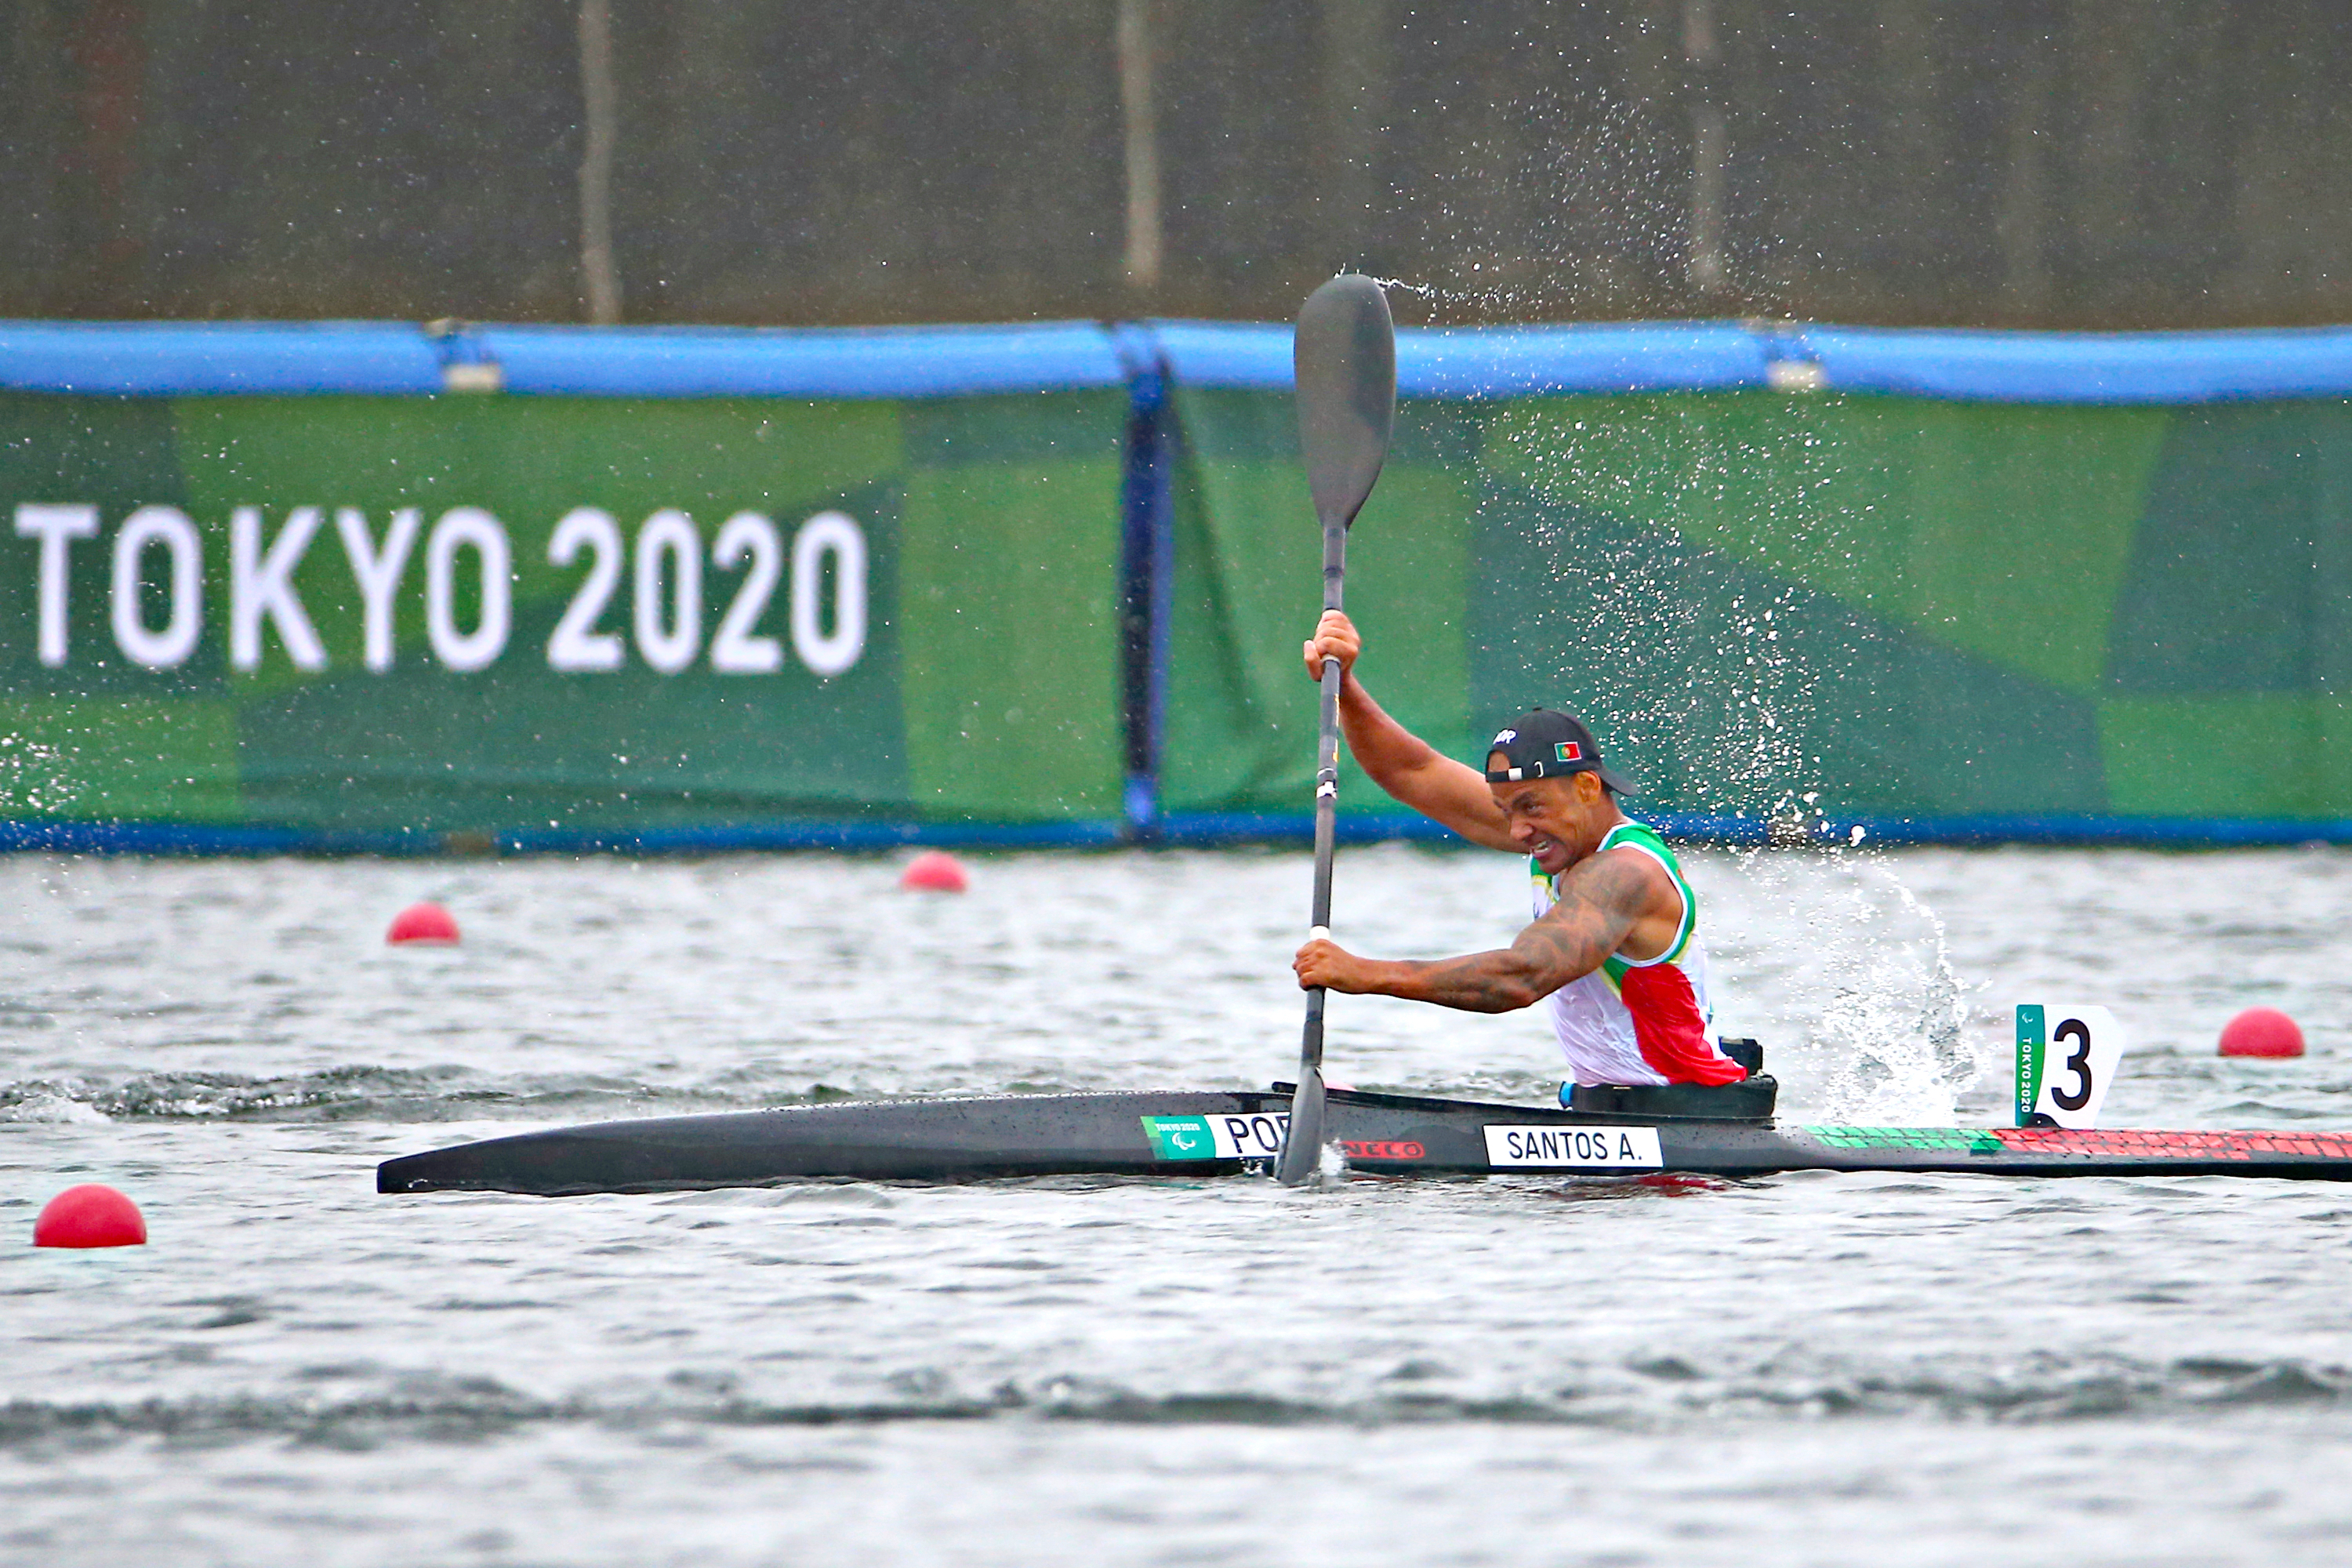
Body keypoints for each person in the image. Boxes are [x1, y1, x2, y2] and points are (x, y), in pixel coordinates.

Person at [1289, 609, 1747, 1089]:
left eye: (1530, 806)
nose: (1517, 831)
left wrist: (1365, 973)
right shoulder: (1556, 831)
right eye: (1505, 811)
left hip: (1688, 1114)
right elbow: (1410, 771)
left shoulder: (1624, 873)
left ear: (1587, 787)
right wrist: (1344, 684)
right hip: (1610, 1106)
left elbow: (1522, 977)